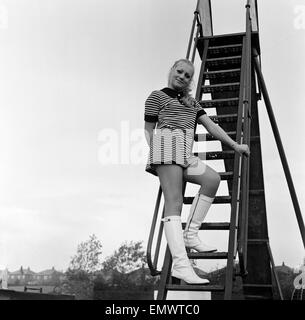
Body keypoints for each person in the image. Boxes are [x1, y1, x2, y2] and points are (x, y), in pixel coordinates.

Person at [144, 59, 250, 285]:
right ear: (171, 70)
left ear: (190, 81)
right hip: (165, 145)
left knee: (212, 179)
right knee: (175, 202)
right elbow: (149, 129)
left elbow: (212, 127)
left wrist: (235, 145)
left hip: (184, 152)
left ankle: (190, 234)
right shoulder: (156, 96)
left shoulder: (192, 103)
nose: (182, 76)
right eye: (179, 71)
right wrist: (158, 153)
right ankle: (181, 266)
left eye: (187, 75)